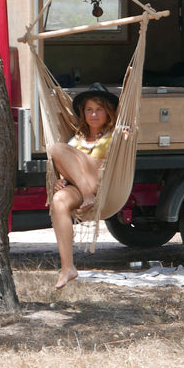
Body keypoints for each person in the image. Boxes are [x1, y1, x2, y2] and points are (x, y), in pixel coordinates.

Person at [48, 83, 119, 290]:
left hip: (100, 184)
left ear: (108, 112)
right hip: (79, 187)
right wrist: (60, 180)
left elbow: (127, 139)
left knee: (57, 148)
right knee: (58, 200)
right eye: (89, 110)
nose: (94, 114)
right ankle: (67, 267)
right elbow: (65, 164)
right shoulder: (76, 140)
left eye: (99, 109)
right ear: (83, 113)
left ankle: (89, 195)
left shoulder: (114, 135)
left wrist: (127, 133)